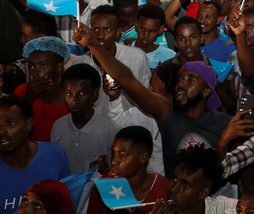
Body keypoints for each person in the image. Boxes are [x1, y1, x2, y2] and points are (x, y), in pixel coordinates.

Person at [72, 22, 231, 177]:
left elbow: (229, 168)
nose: (182, 83)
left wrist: (223, 143)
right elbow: (128, 80)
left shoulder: (225, 124)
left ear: (205, 92)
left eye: (191, 80)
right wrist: (93, 44)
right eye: (180, 79)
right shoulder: (168, 113)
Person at [0, 95, 71, 214]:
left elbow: (64, 205)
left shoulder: (54, 154)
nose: (1, 131)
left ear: (28, 124)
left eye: (10, 123)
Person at [50, 63, 117, 173]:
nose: (74, 100)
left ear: (95, 93)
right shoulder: (58, 127)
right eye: (69, 94)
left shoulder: (111, 130)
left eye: (81, 93)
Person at [86, 126, 170, 213]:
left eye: (122, 155)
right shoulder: (103, 188)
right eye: (113, 154)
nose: (114, 162)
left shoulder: (165, 190)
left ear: (143, 157)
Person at [14, 36, 69, 141]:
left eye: (43, 65)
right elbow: (13, 129)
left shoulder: (72, 97)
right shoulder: (22, 92)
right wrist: (28, 99)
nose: (35, 73)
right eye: (31, 66)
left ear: (59, 68)